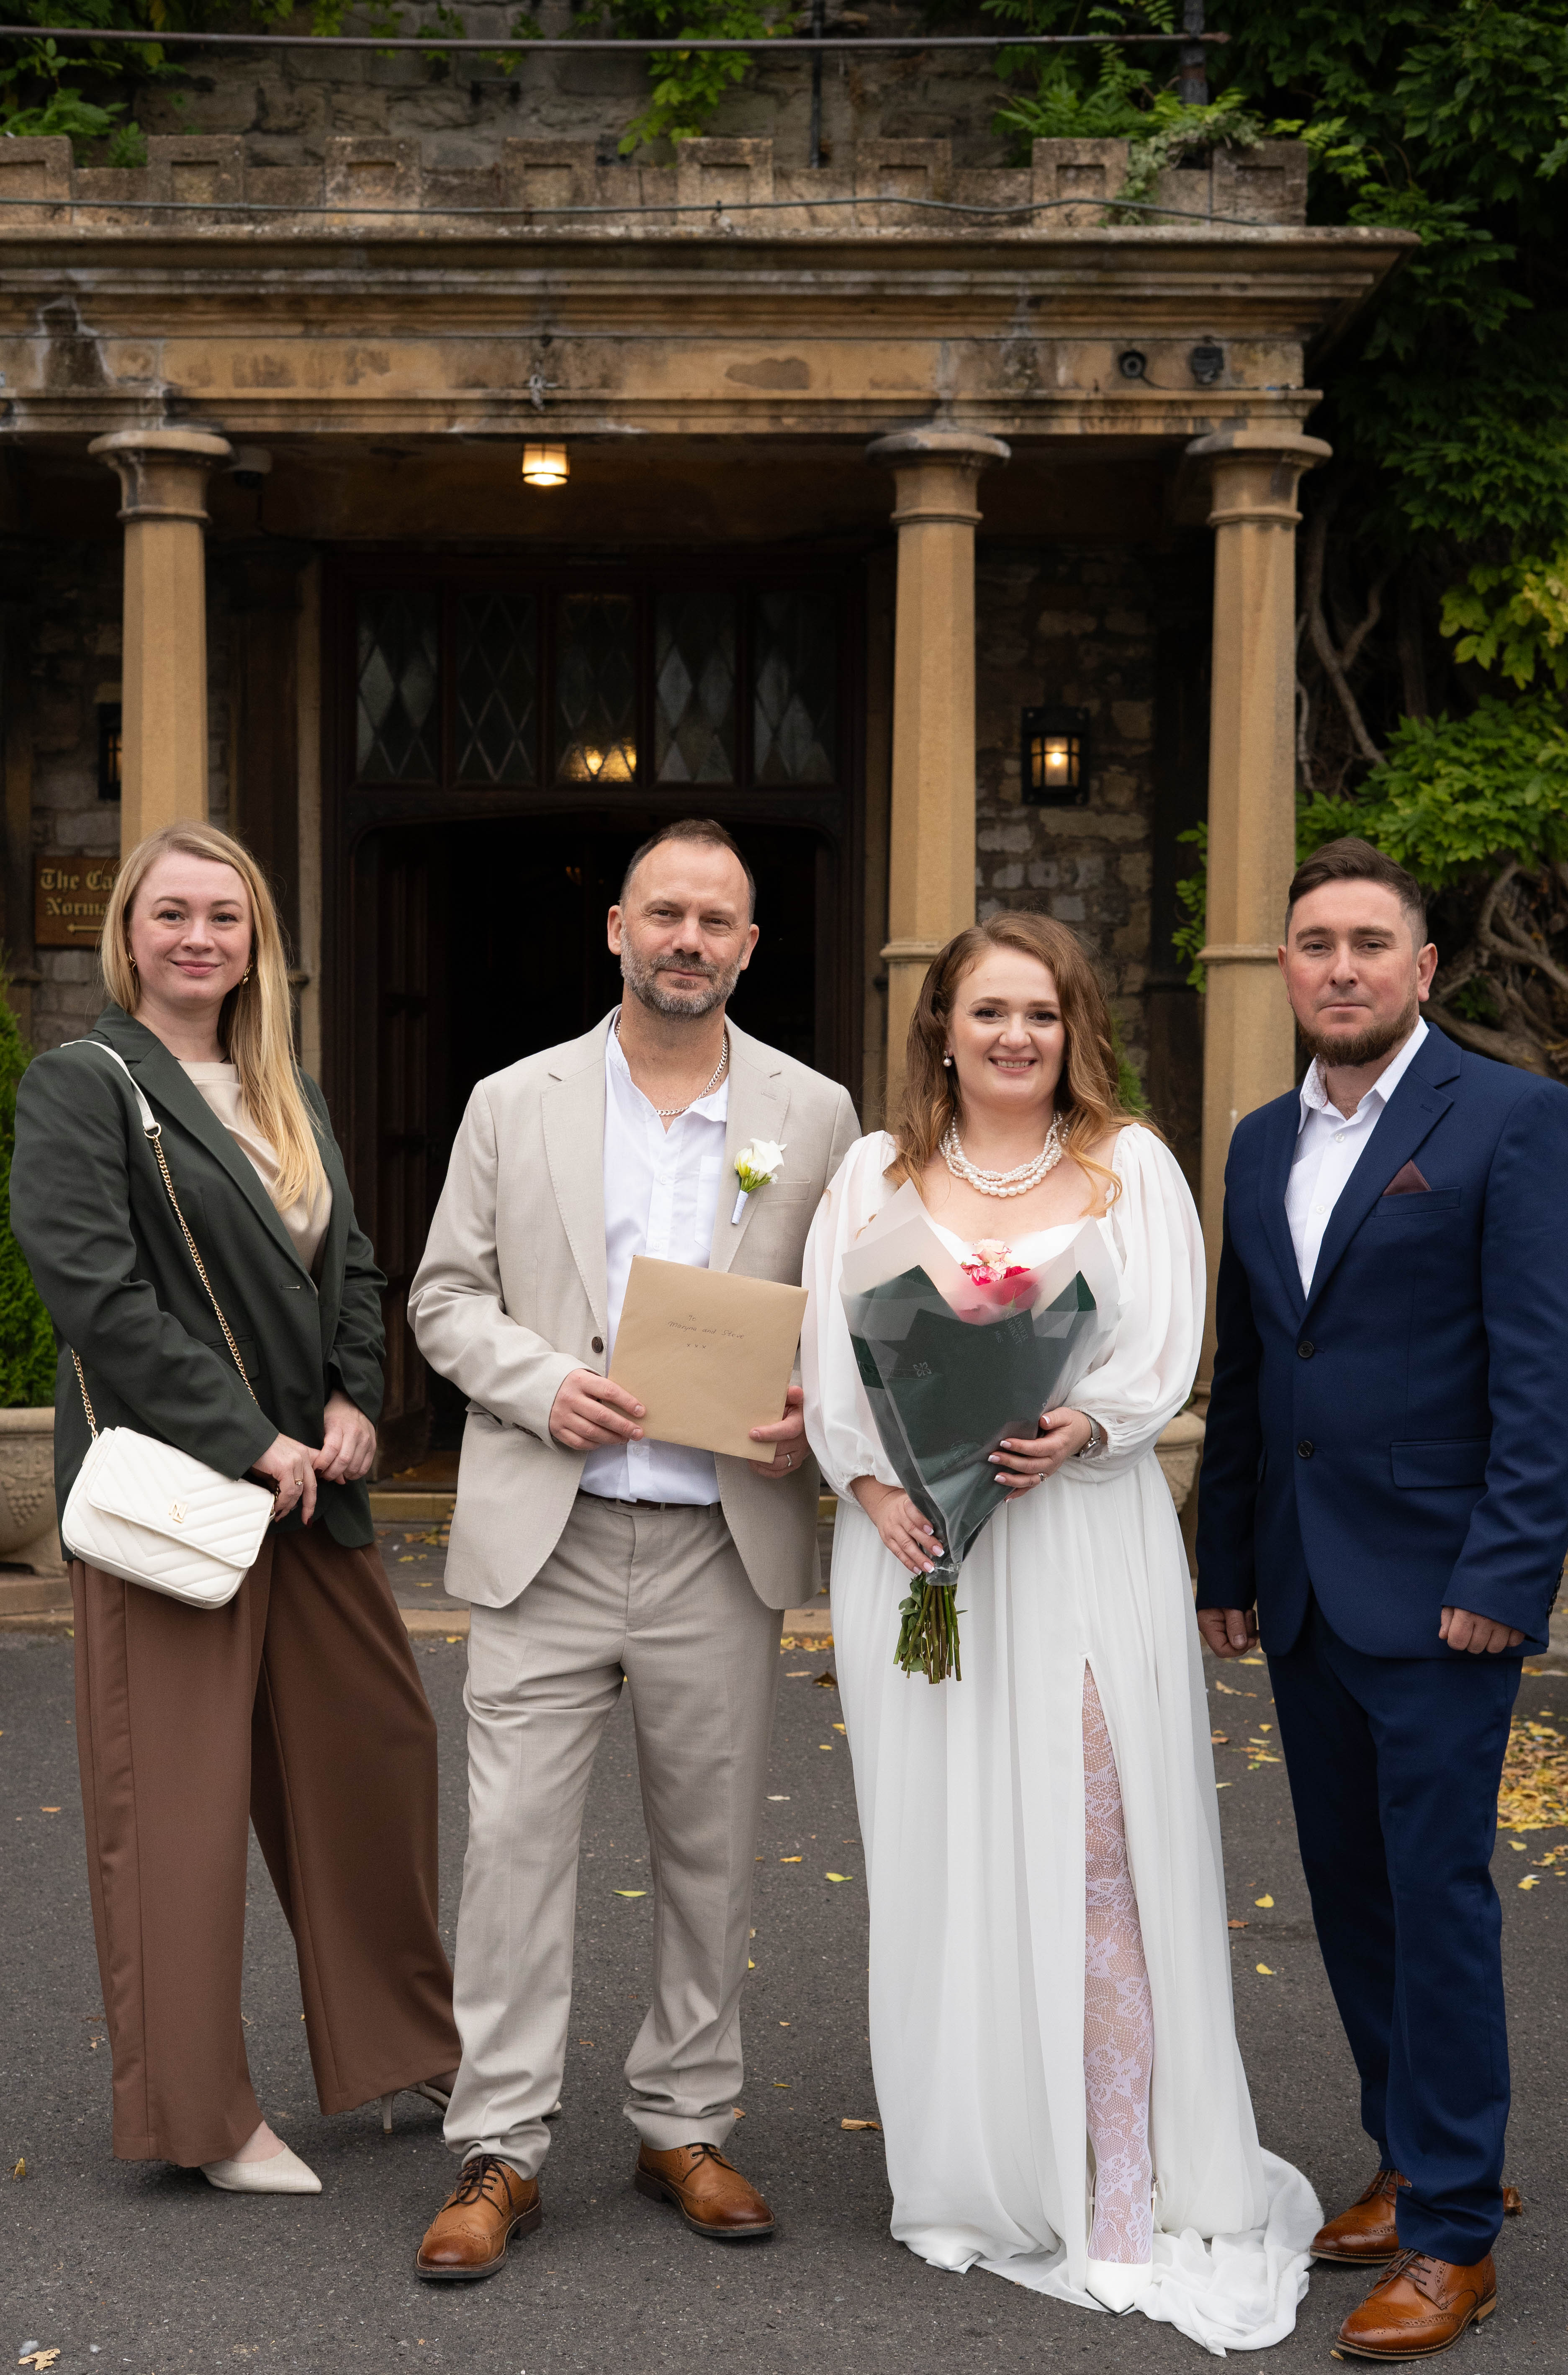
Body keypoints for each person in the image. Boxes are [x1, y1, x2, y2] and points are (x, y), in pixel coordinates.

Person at [800, 911, 1318, 2352]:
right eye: (987, 1012)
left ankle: (1121, 2182)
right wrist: (875, 1484)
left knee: (1101, 1849)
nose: (1014, 1036)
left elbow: (1161, 1353)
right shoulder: (870, 1173)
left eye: (1039, 1012)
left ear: (1073, 1027)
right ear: (942, 1029)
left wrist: (1081, 1422)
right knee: (944, 1852)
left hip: (1079, 1537)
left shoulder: (1127, 1166)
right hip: (920, 1552)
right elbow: (830, 1362)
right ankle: (981, 2165)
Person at [406, 815, 859, 2282]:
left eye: (715, 920)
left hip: (720, 1542)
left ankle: (683, 2122)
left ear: (748, 946)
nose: (687, 939)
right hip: (547, 1532)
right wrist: (543, 1383)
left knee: (710, 1854)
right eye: (664, 912)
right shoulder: (511, 1100)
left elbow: (850, 1316)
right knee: (512, 1853)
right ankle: (500, 2144)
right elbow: (443, 1297)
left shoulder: (817, 1114)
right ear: (616, 927)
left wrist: (815, 1415)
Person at [10, 821, 460, 2194]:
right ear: (128, 934)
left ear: (257, 938)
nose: (198, 936)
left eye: (224, 914)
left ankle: (406, 2045)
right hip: (179, 1492)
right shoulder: (84, 1084)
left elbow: (355, 1264)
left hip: (309, 1489)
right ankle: (198, 2116)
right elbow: (95, 1291)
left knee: (377, 1745)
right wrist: (243, 1432)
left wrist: (352, 1395)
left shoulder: (287, 1088)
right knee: (178, 1810)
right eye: (172, 913)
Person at [1195, 836, 1568, 2362]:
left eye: (1367, 942)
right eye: (1313, 943)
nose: (1338, 966)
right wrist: (1224, 1561)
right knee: (1348, 1893)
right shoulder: (1254, 1141)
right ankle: (1407, 2154)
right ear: (1285, 969)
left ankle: (1455, 2231)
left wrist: (1505, 1572)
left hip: (1440, 1591)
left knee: (1437, 1897)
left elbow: (1540, 1370)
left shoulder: (1511, 1116)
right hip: (1301, 1582)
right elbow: (1249, 1370)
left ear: (1421, 967)